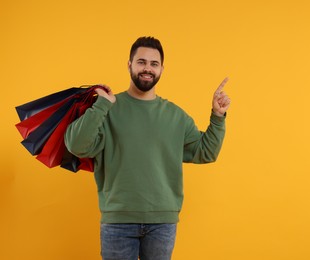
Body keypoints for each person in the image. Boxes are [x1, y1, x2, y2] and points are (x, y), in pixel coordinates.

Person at [64, 36, 231, 260]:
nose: (147, 69)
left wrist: (218, 116)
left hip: (162, 224)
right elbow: (76, 145)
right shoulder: (108, 107)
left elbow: (206, 151)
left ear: (162, 69)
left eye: (154, 64)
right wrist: (101, 105)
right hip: (118, 222)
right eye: (141, 62)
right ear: (129, 64)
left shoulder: (175, 116)